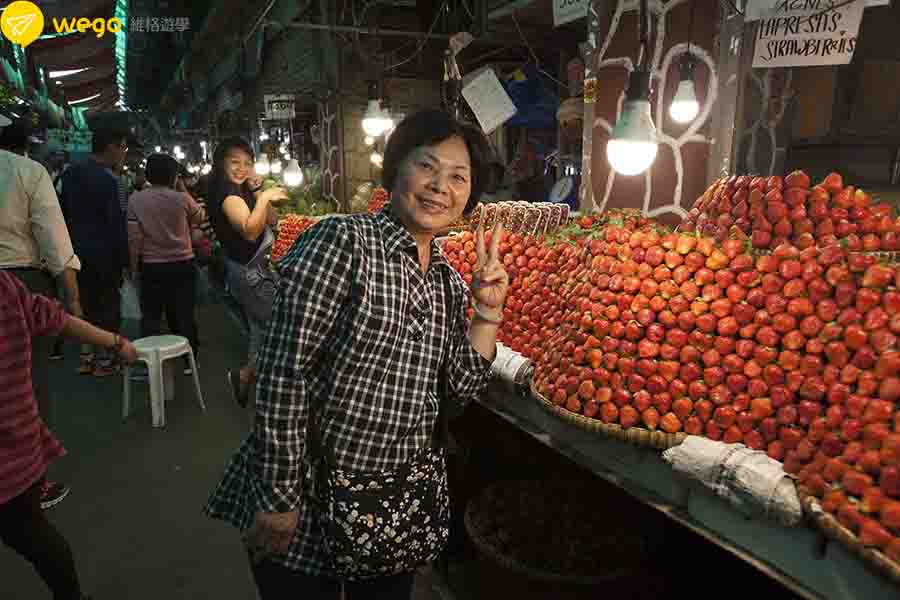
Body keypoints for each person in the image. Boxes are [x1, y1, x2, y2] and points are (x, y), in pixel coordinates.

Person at [205, 109, 508, 599]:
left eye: (458, 177)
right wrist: (280, 498)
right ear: (396, 170)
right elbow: (285, 372)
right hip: (308, 502)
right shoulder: (343, 244)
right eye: (427, 166)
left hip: (391, 508)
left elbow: (455, 395)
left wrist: (487, 314)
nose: (440, 187)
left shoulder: (450, 285)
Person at [0, 269, 137, 600]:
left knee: (33, 536)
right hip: (19, 454)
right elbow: (56, 319)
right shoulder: (6, 286)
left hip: (14, 457)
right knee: (36, 537)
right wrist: (115, 341)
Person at [0, 115, 83, 510]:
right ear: (28, 146)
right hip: (17, 284)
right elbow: (53, 238)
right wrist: (73, 300)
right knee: (25, 387)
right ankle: (33, 483)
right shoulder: (27, 171)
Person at [204, 137, 287, 407]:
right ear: (221, 165)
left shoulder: (242, 190)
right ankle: (255, 380)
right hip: (250, 274)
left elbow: (272, 220)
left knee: (260, 331)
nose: (242, 168)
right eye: (234, 162)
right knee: (282, 329)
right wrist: (263, 197)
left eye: (247, 163)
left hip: (251, 270)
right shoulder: (229, 195)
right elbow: (251, 232)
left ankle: (249, 381)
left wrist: (260, 191)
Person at [58, 128, 129, 377]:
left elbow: (62, 214)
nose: (124, 154)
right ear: (111, 147)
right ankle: (106, 360)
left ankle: (87, 358)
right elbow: (119, 224)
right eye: (123, 148)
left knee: (83, 304)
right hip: (106, 255)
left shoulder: (69, 175)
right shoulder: (112, 182)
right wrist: (125, 262)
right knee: (108, 305)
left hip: (76, 253)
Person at [127, 154, 206, 372]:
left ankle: (150, 364)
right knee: (184, 313)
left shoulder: (136, 200)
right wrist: (182, 189)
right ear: (174, 175)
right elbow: (200, 217)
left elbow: (134, 239)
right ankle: (190, 360)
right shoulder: (180, 198)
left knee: (151, 315)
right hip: (183, 264)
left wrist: (134, 269)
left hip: (151, 266)